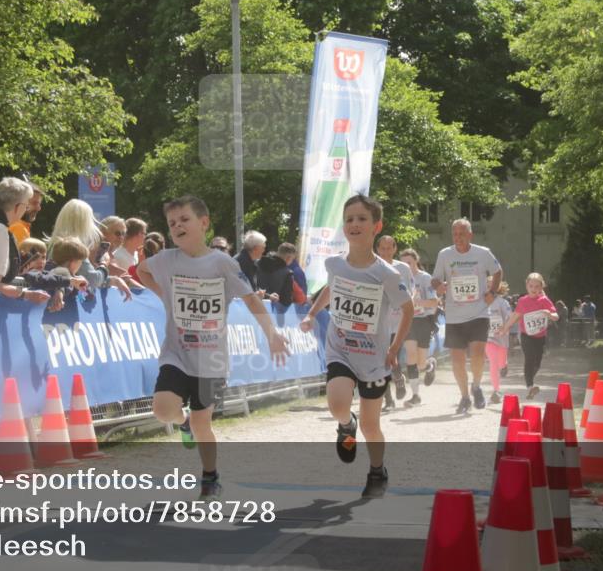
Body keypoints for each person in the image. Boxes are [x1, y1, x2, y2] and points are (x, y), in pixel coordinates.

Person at [137, 196, 290, 500]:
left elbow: (249, 298)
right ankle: (182, 424)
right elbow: (141, 271)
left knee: (202, 421)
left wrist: (272, 333)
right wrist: (163, 296)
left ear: (203, 223)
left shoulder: (222, 263)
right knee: (163, 409)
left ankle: (210, 476)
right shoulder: (166, 259)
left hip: (212, 359)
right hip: (177, 353)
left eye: (184, 219)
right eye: (172, 223)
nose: (177, 226)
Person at [300, 195, 413, 498]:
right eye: (349, 219)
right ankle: (344, 424)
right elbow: (331, 288)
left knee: (371, 425)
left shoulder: (387, 274)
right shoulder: (335, 264)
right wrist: (312, 314)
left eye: (362, 218)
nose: (354, 224)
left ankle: (377, 469)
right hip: (341, 348)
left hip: (374, 359)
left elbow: (409, 309)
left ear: (377, 226)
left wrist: (394, 347)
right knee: (337, 403)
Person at [431, 218, 503, 413]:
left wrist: (492, 293)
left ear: (470, 234)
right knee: (457, 360)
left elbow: (498, 272)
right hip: (454, 315)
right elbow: (435, 278)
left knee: (478, 354)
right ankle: (464, 396)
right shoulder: (445, 254)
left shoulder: (482, 253)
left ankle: (476, 386)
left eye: (462, 233)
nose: (458, 237)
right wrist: (438, 286)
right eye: (454, 234)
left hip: (479, 312)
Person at [49, 200, 132, 301]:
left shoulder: (55, 244)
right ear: (83, 222)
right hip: (67, 307)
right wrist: (104, 264)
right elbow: (92, 280)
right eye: (90, 220)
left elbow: (83, 278)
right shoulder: (74, 248)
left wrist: (113, 280)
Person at [496, 272, 559, 400]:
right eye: (531, 286)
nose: (534, 289)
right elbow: (515, 316)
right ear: (527, 286)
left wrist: (549, 314)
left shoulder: (544, 300)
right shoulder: (523, 301)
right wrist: (504, 328)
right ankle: (530, 386)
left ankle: (530, 379)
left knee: (537, 363)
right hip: (526, 335)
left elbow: (556, 316)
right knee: (529, 359)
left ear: (541, 287)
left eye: (537, 286)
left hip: (540, 336)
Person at [375, 235, 414, 409]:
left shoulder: (403, 268)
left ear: (394, 249)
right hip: (377, 320)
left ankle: (398, 376)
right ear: (377, 250)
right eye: (382, 248)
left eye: (389, 248)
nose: (385, 252)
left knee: (392, 355)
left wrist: (405, 305)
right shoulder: (372, 267)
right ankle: (388, 400)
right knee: (380, 360)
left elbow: (410, 292)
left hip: (397, 321)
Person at [399, 248, 439, 406]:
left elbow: (434, 302)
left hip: (424, 320)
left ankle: (430, 365)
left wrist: (418, 302)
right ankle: (416, 395)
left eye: (409, 262)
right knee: (410, 355)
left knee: (421, 363)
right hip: (407, 320)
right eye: (402, 263)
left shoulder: (424, 278)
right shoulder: (399, 279)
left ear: (416, 261)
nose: (406, 266)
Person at [485, 281, 512, 404]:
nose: (489, 286)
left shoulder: (502, 302)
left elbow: (509, 318)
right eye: (487, 284)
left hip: (502, 338)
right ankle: (496, 391)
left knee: (500, 363)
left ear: (498, 287)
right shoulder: (481, 302)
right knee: (493, 362)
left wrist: (504, 328)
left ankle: (504, 364)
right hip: (488, 338)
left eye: (492, 284)